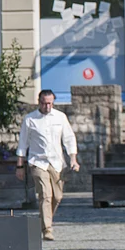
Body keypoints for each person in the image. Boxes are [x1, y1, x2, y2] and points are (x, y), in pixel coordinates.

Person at [17, 89, 80, 241]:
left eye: (50, 103)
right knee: (45, 195)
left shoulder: (60, 117)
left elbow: (69, 139)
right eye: (44, 103)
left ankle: (44, 220)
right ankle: (47, 229)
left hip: (57, 163)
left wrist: (73, 159)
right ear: (39, 102)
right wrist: (19, 166)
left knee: (57, 197)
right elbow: (22, 144)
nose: (47, 107)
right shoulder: (30, 119)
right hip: (38, 162)